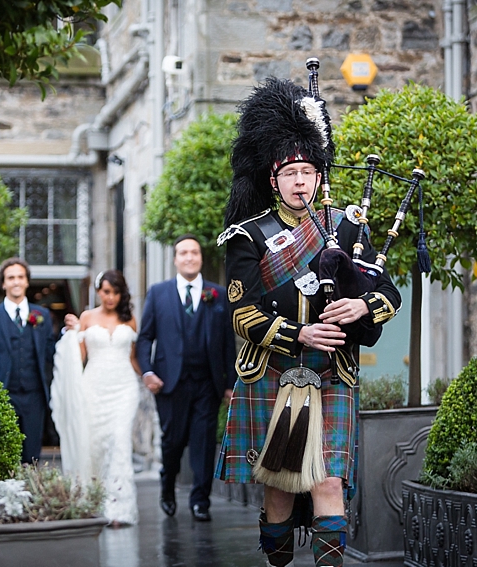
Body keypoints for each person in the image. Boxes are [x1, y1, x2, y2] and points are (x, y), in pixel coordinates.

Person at [215, 77, 401, 567]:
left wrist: (363, 306)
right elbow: (243, 314)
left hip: (332, 371)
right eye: (290, 172)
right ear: (272, 179)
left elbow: (388, 293)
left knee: (328, 478)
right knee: (278, 485)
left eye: (308, 171)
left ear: (320, 176)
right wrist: (300, 332)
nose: (300, 181)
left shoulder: (346, 227)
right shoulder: (247, 236)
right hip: (274, 370)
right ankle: (278, 559)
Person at [136, 234, 237, 522]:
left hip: (208, 383)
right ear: (175, 259)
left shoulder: (217, 294)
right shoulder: (158, 293)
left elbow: (229, 343)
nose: (189, 257)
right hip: (170, 383)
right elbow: (145, 338)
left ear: (201, 257)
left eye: (194, 252)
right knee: (173, 442)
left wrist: (229, 383)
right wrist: (147, 372)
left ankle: (200, 501)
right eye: (183, 253)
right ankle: (167, 488)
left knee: (204, 443)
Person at [52, 269, 142, 526]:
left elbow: (133, 357)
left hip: (125, 388)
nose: (110, 297)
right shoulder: (87, 317)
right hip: (93, 387)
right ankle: (95, 501)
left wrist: (147, 376)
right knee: (94, 444)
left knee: (120, 440)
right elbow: (79, 357)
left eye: (115, 292)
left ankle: (119, 509)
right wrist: (71, 335)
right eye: (106, 291)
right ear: (98, 291)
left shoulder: (131, 320)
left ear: (121, 293)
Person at [0, 257, 56, 464]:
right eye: (10, 278)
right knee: (4, 453)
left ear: (27, 282)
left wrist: (70, 334)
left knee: (31, 455)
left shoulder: (42, 315)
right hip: (4, 395)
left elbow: (51, 353)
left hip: (34, 396)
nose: (16, 282)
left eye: (20, 277)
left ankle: (28, 494)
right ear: (3, 283)